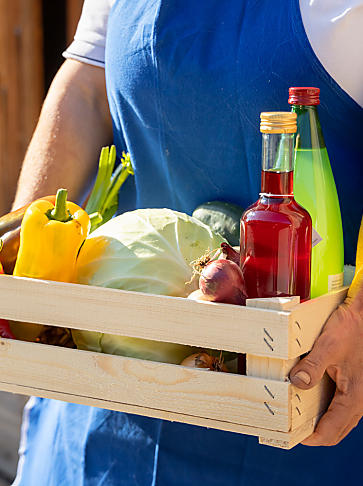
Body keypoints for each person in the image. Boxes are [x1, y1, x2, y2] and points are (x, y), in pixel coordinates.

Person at [11, 1, 363, 484]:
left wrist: (361, 312)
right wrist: (20, 257)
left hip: (296, 408)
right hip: (107, 394)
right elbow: (88, 86)